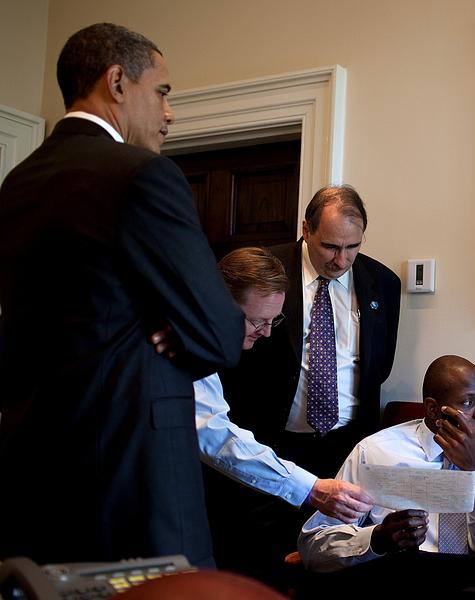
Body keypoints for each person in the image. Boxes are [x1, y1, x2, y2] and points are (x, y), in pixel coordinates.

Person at [0, 23, 244, 566]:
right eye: (162, 91)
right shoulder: (143, 175)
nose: (169, 113)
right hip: (132, 475)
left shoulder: (16, 183)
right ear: (116, 82)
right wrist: (175, 326)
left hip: (30, 470)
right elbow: (222, 334)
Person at [207, 185, 401, 582]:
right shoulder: (266, 270)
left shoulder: (383, 283)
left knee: (331, 568)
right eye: (330, 245)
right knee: (259, 563)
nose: (341, 259)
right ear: (306, 229)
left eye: (353, 246)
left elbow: (377, 369)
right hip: (264, 442)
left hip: (343, 449)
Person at [186, 247, 374, 579]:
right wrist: (312, 488)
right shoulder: (185, 346)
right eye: (257, 320)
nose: (266, 332)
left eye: (275, 320)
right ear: (218, 303)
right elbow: (214, 435)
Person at [298, 355, 475, 598]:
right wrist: (376, 538)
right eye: (468, 402)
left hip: (472, 579)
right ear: (432, 408)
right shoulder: (376, 450)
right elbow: (314, 545)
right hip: (397, 574)